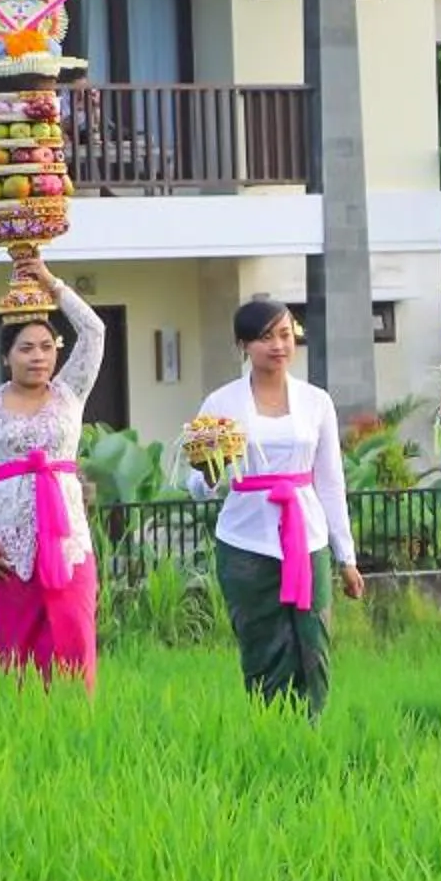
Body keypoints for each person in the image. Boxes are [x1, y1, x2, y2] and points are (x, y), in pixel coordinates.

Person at [184, 298, 364, 715]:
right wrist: (213, 469)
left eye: (285, 334)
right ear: (243, 344)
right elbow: (197, 486)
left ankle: (312, 728)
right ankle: (269, 729)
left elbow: (330, 481)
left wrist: (346, 557)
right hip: (246, 538)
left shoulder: (316, 401)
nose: (278, 345)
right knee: (261, 645)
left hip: (308, 537)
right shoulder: (221, 403)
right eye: (265, 337)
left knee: (313, 642)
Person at [0, 259, 104, 687]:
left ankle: (77, 731)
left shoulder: (69, 393)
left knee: (74, 637)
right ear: (6, 356)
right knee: (16, 649)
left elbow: (94, 332)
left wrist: (50, 282)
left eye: (46, 345)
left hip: (67, 538)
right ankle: (22, 733)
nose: (39, 356)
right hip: (5, 543)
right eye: (26, 348)